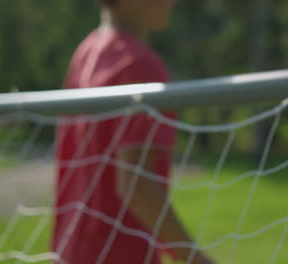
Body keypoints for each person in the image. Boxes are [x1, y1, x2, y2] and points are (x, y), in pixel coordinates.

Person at [52, 0, 214, 263]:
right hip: (118, 254)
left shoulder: (85, 52)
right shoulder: (139, 65)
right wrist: (195, 259)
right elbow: (136, 184)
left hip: (72, 251)